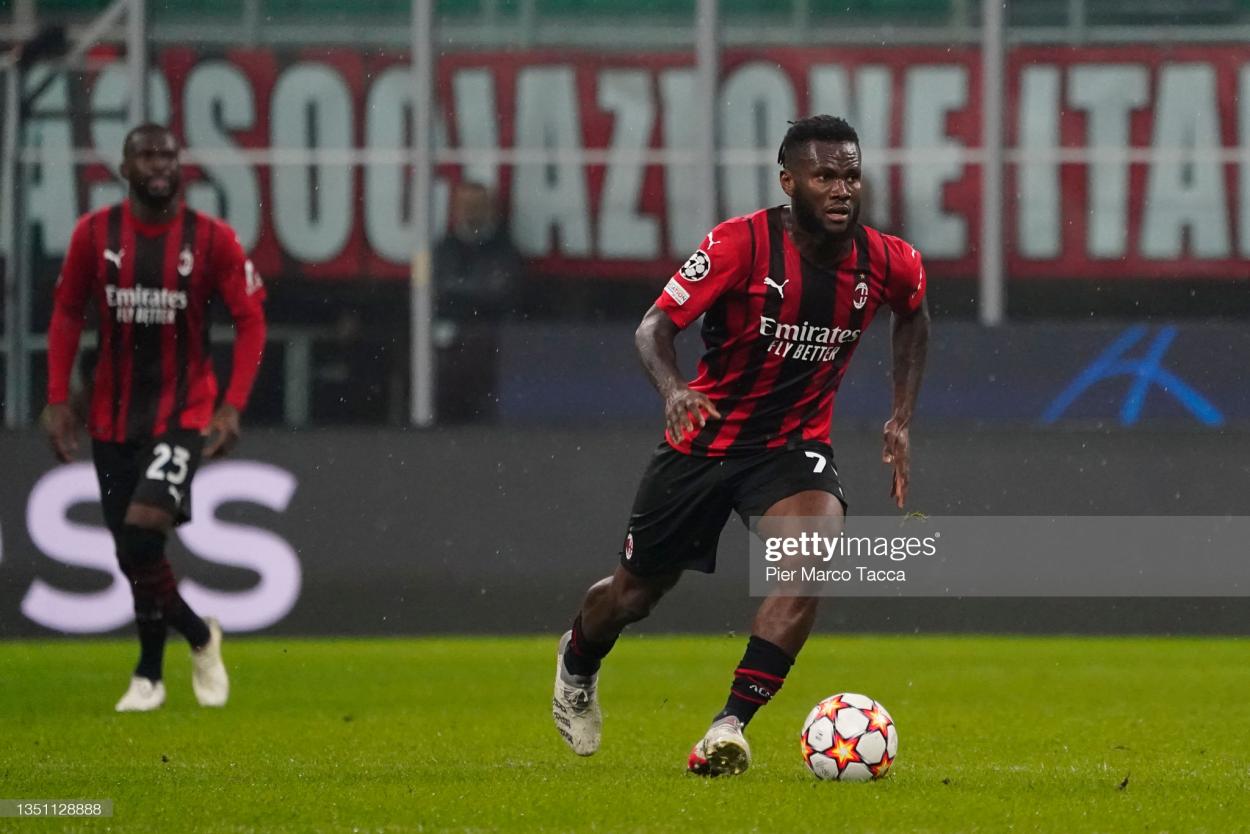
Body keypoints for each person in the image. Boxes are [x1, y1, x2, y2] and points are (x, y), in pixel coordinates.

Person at [551, 115, 929, 775]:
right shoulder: (739, 245)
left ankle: (729, 726)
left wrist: (900, 415)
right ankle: (578, 660)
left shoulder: (889, 260)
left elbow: (914, 314)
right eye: (824, 176)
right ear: (790, 182)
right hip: (703, 442)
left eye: (850, 175)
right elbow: (653, 329)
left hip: (791, 449)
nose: (841, 189)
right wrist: (673, 392)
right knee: (635, 595)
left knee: (810, 561)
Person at [42, 123, 267, 712]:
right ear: (125, 168)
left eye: (168, 154)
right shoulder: (94, 235)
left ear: (180, 167)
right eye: (147, 155)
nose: (160, 163)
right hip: (110, 415)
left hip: (182, 410)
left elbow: (251, 319)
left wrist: (233, 405)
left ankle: (154, 666)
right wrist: (57, 397)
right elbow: (66, 313)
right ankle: (182, 647)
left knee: (143, 530)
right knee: (131, 554)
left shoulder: (211, 238)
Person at [433, 180, 523, 423]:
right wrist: (476, 293)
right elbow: (437, 293)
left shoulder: (504, 248)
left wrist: (460, 293)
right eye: (465, 205)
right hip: (449, 340)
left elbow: (502, 293)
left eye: (477, 205)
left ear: (489, 209)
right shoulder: (444, 248)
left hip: (491, 339)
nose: (470, 211)